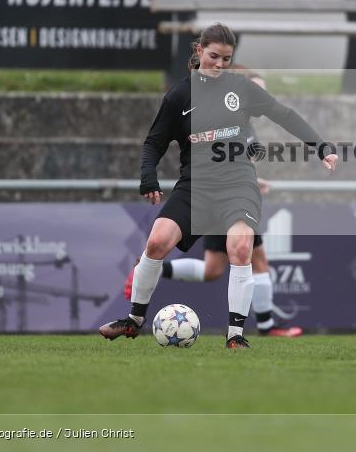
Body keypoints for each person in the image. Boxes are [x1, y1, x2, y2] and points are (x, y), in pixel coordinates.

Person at [101, 23, 337, 348]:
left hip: (237, 185)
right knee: (156, 243)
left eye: (226, 59)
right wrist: (148, 177)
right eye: (214, 57)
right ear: (199, 52)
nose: (219, 65)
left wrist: (321, 146)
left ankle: (235, 336)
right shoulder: (179, 95)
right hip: (195, 186)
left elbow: (283, 114)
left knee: (240, 248)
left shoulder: (239, 88)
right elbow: (154, 142)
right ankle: (133, 321)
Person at [123, 58, 303, 337]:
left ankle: (150, 269)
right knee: (257, 258)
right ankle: (266, 327)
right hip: (227, 199)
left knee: (214, 269)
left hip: (230, 195)